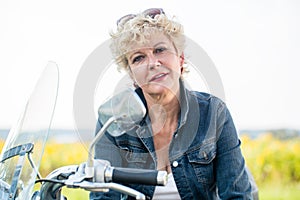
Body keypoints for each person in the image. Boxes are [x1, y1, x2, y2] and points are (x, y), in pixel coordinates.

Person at [90, 8, 258, 200]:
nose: (152, 63)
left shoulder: (214, 113)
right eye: (138, 58)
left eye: (159, 50)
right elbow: (104, 196)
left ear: (181, 59)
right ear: (132, 75)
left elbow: (237, 195)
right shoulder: (113, 120)